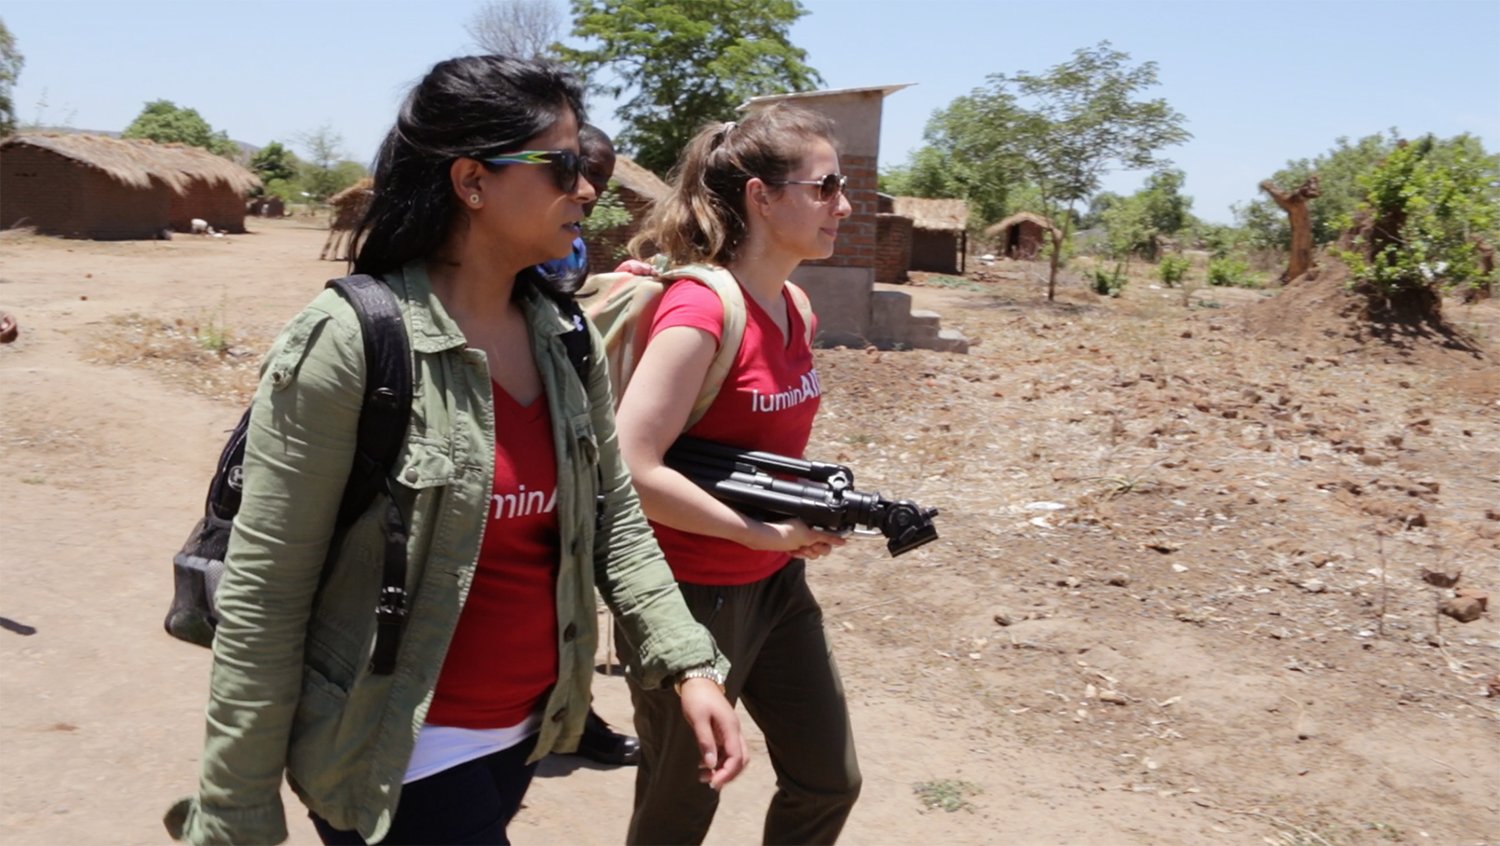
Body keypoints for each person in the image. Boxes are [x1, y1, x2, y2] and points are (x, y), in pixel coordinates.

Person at [164, 55, 745, 846]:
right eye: (563, 165)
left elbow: (614, 519)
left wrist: (688, 663)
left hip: (525, 734)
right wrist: (235, 817)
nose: (586, 188)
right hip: (396, 753)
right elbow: (266, 599)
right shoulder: (353, 342)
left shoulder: (563, 337)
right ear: (471, 181)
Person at [612, 105, 861, 845]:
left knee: (828, 780)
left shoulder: (797, 308)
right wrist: (758, 532)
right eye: (825, 187)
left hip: (775, 583)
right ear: (761, 195)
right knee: (678, 808)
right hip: (688, 595)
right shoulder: (699, 310)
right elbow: (632, 465)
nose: (842, 205)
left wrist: (803, 512)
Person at [537, 122, 642, 768]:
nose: (590, 190)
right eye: (583, 175)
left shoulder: (571, 237)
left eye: (599, 180)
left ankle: (569, 713)